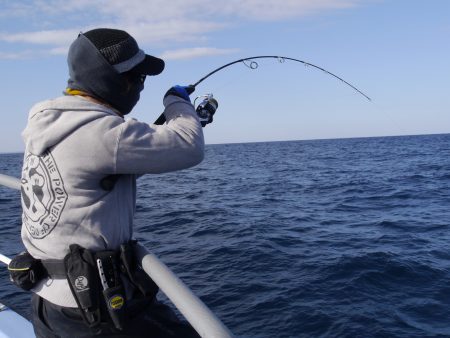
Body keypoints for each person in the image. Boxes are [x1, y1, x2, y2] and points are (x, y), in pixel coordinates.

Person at [18, 28, 206, 337]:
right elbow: (189, 146)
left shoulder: (50, 123)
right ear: (111, 79)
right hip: (96, 311)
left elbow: (96, 173)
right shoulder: (99, 132)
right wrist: (178, 103)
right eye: (137, 76)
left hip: (48, 302)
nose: (141, 85)